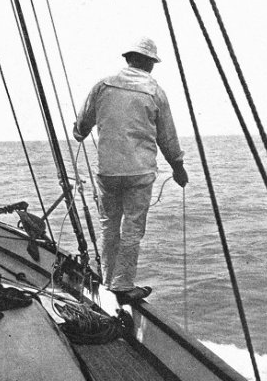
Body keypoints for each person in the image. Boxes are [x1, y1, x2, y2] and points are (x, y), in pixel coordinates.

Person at [73, 37, 188, 303]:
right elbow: (167, 137)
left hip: (108, 172)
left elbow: (82, 125)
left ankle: (107, 280)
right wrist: (178, 168)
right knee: (133, 229)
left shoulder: (103, 86)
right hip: (139, 173)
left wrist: (80, 132)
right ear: (149, 63)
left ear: (128, 59)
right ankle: (123, 285)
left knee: (109, 227)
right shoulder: (155, 91)